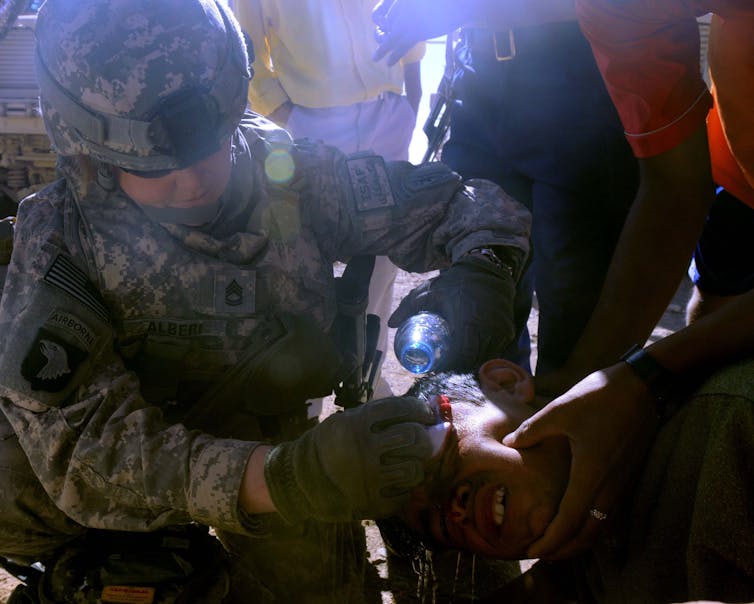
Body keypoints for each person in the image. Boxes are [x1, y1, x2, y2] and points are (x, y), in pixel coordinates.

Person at [0, 0, 532, 602]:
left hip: (273, 458)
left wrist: (483, 274)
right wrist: (285, 478)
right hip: (114, 500)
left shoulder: (287, 173)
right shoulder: (61, 240)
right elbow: (89, 451)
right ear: (88, 149)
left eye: (211, 146)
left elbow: (461, 205)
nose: (195, 178)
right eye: (159, 167)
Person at [373, 0, 754, 559]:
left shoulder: (724, 444)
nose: (455, 510)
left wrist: (631, 377)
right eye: (437, 516)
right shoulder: (624, 22)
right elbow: (675, 191)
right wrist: (605, 378)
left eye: (447, 465)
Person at [378, 2, 637, 375]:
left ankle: (560, 424)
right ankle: (488, 421)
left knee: (574, 306)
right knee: (476, 283)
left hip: (575, 83)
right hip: (478, 79)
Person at [389, 360, 754, 603]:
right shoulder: (585, 567)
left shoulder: (730, 423)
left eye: (443, 458)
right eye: (436, 524)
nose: (453, 507)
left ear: (505, 383)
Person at [233, 0, 425, 401]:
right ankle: (308, 390)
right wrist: (286, 115)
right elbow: (245, 43)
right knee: (303, 255)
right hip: (310, 122)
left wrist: (412, 96)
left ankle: (364, 382)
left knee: (381, 258)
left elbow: (407, 12)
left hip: (387, 113)